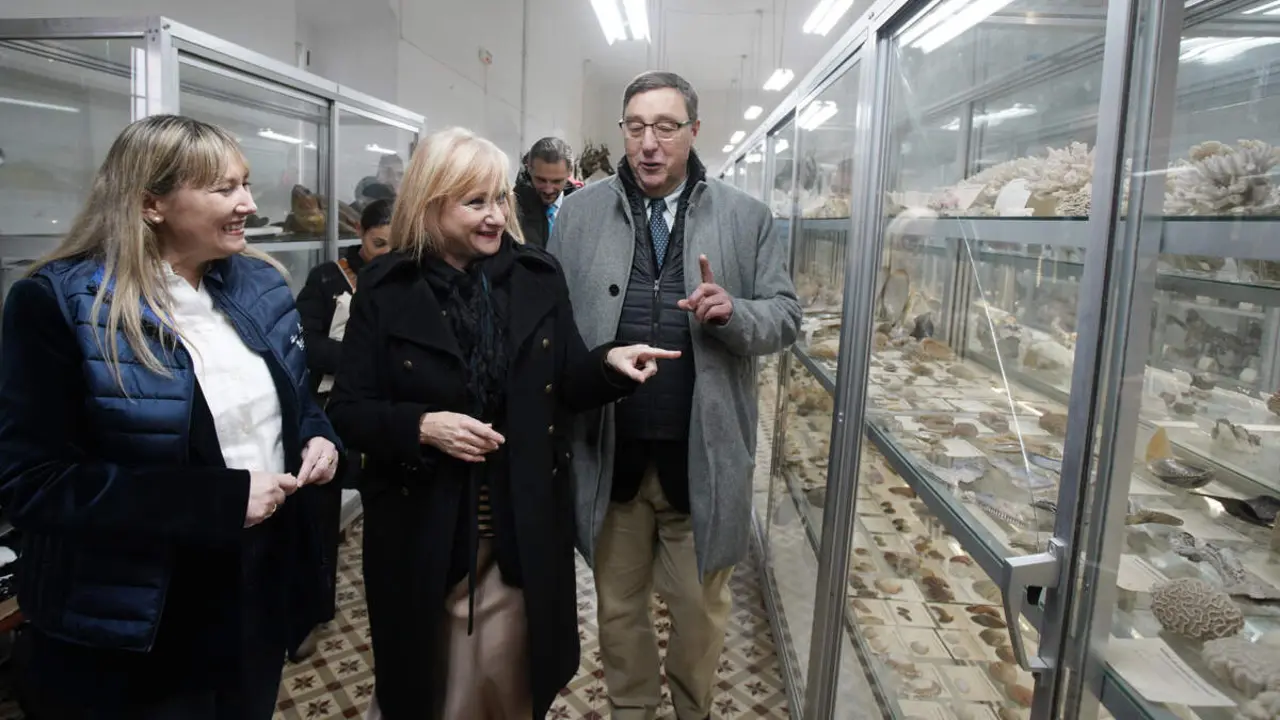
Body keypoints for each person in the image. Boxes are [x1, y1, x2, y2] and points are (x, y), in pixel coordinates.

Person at [325, 126, 680, 720]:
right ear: (431, 203)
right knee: (427, 684)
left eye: (499, 199)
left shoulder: (537, 277)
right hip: (424, 527)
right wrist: (422, 426)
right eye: (475, 202)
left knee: (509, 682)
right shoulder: (387, 288)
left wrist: (609, 365)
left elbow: (566, 382)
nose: (495, 216)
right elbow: (349, 411)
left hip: (518, 524)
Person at [0, 114, 343, 719]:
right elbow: (32, 482)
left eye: (245, 184)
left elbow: (296, 400)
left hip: (256, 587)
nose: (248, 204)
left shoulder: (261, 284)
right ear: (150, 203)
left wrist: (317, 436)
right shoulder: (59, 303)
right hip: (136, 622)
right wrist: (216, 501)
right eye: (224, 188)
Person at [547, 71, 801, 720]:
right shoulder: (577, 216)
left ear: (694, 131)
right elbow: (550, 327)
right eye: (636, 127)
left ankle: (693, 708)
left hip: (702, 461)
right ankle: (632, 709)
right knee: (618, 609)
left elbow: (785, 317)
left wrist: (735, 313)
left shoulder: (746, 218)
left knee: (700, 612)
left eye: (665, 127)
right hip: (612, 457)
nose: (649, 143)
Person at [287, 198, 394, 662]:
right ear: (362, 235)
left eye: (396, 245)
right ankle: (312, 610)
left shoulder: (405, 279)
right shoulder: (328, 278)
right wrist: (361, 359)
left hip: (384, 415)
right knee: (318, 514)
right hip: (328, 412)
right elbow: (304, 342)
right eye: (379, 244)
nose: (387, 253)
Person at [514, 136, 576, 249]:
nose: (548, 189)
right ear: (529, 169)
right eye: (541, 180)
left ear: (570, 171)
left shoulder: (583, 207)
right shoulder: (511, 209)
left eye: (557, 181)